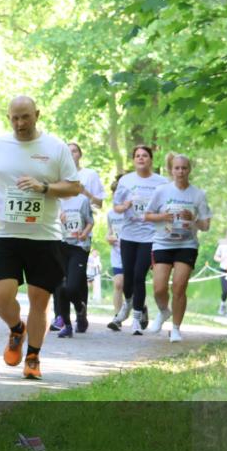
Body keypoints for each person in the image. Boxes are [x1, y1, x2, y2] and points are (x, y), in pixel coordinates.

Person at [0, 96, 81, 380]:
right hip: (3, 231)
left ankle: (33, 356)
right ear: (8, 117)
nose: (20, 124)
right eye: (14, 118)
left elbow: (73, 187)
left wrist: (43, 187)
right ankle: (16, 329)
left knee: (39, 300)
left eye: (25, 117)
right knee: (1, 295)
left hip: (43, 236)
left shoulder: (55, 147)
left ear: (37, 115)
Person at [143, 153, 211, 342]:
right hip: (162, 243)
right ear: (171, 170)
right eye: (177, 168)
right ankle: (164, 312)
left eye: (184, 168)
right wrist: (163, 217)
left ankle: (176, 329)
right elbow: (147, 216)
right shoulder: (161, 191)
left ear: (189, 170)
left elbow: (206, 226)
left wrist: (194, 219)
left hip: (186, 244)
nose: (180, 172)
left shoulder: (198, 194)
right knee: (159, 288)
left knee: (179, 287)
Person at [108, 146, 168, 335]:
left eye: (145, 156)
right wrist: (125, 206)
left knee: (138, 276)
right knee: (127, 279)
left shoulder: (161, 182)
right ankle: (127, 305)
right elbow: (116, 207)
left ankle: (135, 318)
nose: (141, 159)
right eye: (137, 156)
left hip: (150, 236)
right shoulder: (126, 181)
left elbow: (167, 207)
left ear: (151, 159)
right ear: (134, 160)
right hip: (128, 235)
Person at [54, 192, 94, 338]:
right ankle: (67, 325)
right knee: (60, 288)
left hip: (79, 247)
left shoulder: (82, 200)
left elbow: (90, 221)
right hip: (60, 246)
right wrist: (58, 220)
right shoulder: (54, 200)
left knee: (71, 287)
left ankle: (80, 308)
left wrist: (85, 233)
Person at [106, 173, 127, 315]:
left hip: (132, 251)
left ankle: (141, 312)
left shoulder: (130, 212)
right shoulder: (110, 213)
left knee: (132, 286)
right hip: (117, 252)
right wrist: (109, 238)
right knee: (118, 284)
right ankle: (117, 316)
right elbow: (109, 231)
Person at [68, 142, 105, 208]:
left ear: (80, 155)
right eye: (68, 152)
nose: (71, 154)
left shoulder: (91, 174)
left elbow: (99, 204)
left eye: (74, 151)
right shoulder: (58, 176)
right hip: (63, 217)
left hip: (84, 217)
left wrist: (84, 192)